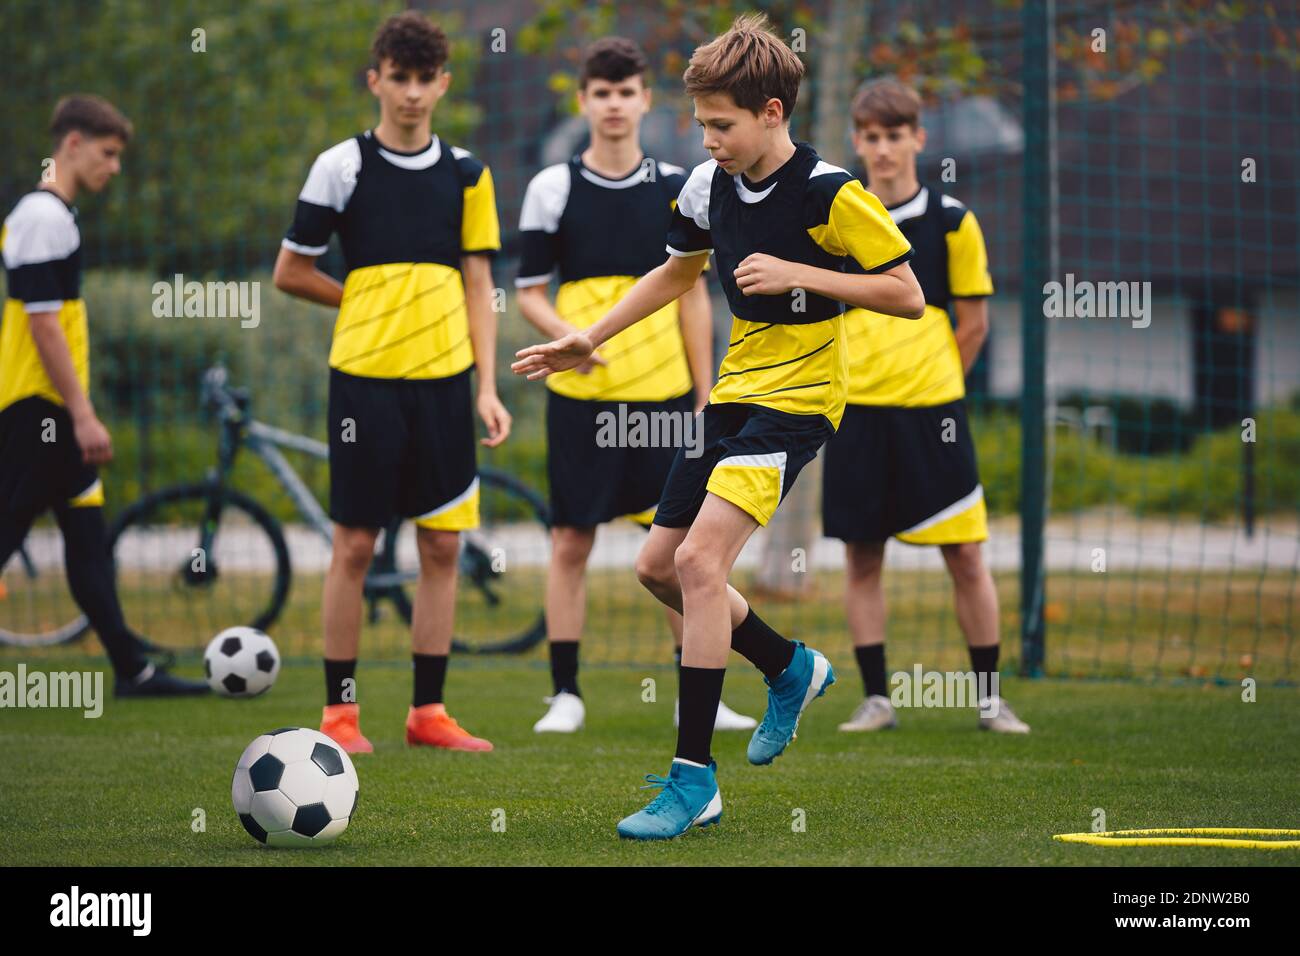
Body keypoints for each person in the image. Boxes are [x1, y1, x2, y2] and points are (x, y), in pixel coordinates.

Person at [513, 14, 924, 839]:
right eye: (700, 122)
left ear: (774, 111)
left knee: (701, 563)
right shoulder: (706, 185)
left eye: (722, 124)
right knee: (657, 567)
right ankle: (788, 665)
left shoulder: (831, 192)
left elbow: (906, 293)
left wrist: (802, 272)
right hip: (735, 393)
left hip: (802, 400)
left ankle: (693, 780)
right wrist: (586, 336)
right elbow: (675, 272)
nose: (707, 139)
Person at [273, 11, 510, 753]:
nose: (410, 94)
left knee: (442, 548)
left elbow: (480, 283)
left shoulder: (469, 173)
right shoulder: (339, 165)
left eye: (424, 80)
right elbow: (291, 271)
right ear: (375, 79)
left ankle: (427, 713)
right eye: (397, 78)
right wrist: (367, 300)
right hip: (365, 385)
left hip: (446, 386)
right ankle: (340, 716)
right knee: (353, 545)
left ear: (442, 84)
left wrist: (487, 385)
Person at [515, 36, 755, 735]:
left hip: (667, 402)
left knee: (681, 550)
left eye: (627, 92)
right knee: (570, 541)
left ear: (647, 100)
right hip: (582, 402)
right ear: (584, 100)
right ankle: (566, 692)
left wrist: (704, 389)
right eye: (601, 92)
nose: (615, 105)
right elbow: (528, 291)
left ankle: (696, 690)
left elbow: (689, 296)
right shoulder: (551, 186)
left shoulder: (684, 185)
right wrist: (570, 337)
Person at [824, 78, 1029, 735]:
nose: (883, 150)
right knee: (862, 558)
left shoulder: (953, 222)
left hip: (935, 417)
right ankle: (877, 699)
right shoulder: (837, 222)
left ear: (919, 138)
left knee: (966, 555)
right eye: (872, 137)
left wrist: (936, 380)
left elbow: (973, 324)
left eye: (895, 135)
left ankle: (990, 699)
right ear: (857, 142)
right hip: (855, 413)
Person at [0, 94, 207, 698]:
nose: (114, 168)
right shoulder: (42, 217)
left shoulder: (55, 214)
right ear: (72, 143)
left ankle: (131, 671)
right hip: (39, 410)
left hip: (51, 409)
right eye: (108, 154)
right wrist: (83, 416)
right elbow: (42, 326)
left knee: (87, 539)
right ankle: (132, 670)